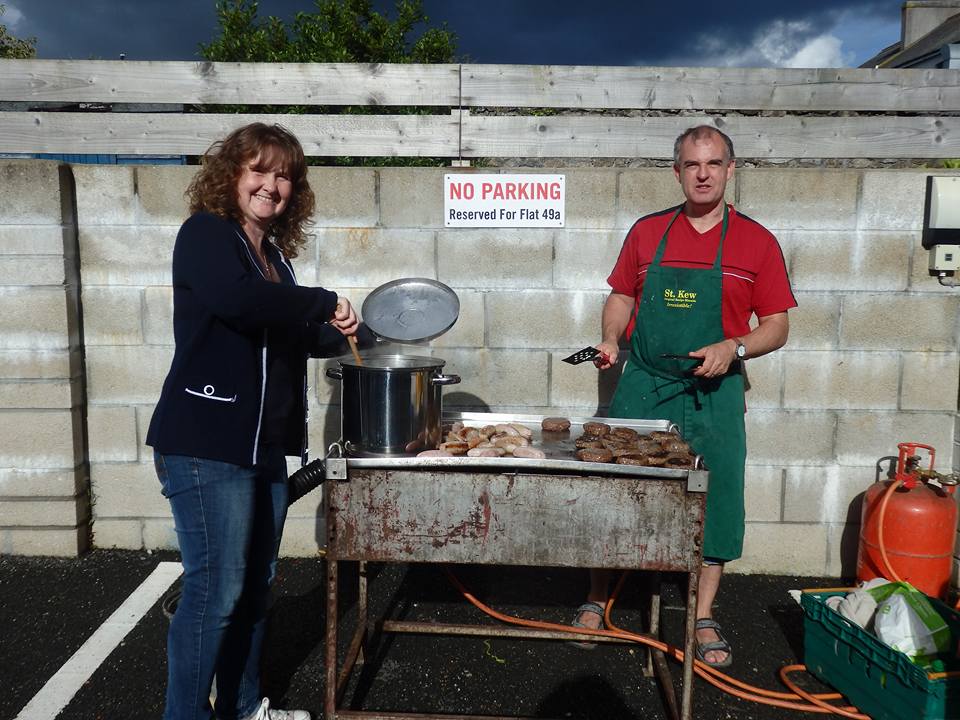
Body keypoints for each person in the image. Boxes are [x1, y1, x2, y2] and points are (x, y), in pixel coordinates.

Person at [147, 122, 358, 720]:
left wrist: (351, 334)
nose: (272, 185)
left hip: (263, 448)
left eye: (284, 176)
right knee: (215, 591)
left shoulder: (276, 261)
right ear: (231, 176)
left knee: (253, 590)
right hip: (206, 441)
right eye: (259, 171)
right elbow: (236, 301)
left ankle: (243, 709)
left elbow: (287, 335)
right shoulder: (206, 234)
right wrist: (323, 300)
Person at [573, 125, 795, 667]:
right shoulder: (648, 232)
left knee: (716, 499)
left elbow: (777, 326)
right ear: (677, 172)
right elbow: (621, 296)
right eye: (692, 164)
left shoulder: (757, 241)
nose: (703, 174)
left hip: (714, 394)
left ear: (730, 169)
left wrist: (734, 348)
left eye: (714, 163)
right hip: (645, 385)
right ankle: (599, 596)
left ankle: (702, 613)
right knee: (616, 490)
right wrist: (610, 338)